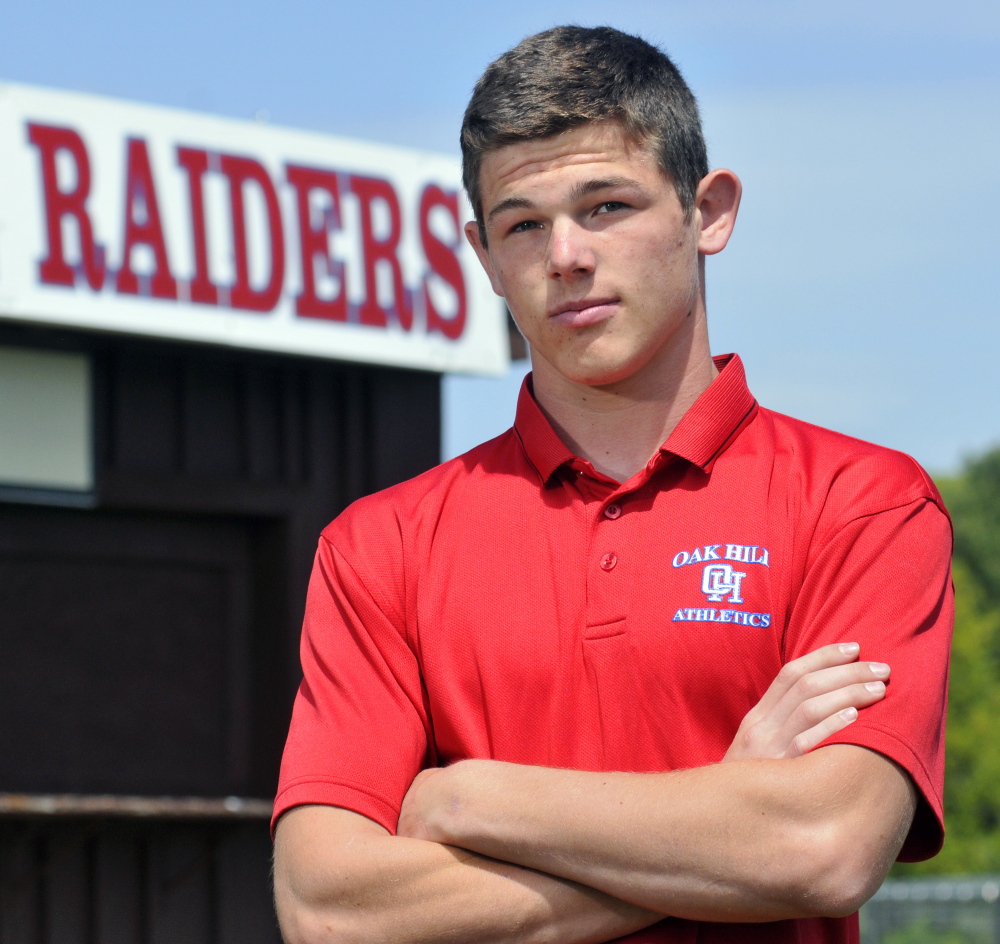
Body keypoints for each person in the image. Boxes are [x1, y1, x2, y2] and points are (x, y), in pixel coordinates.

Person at [272, 25, 953, 944]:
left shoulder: (863, 503)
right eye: (522, 224)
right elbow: (329, 911)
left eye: (606, 206)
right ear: (482, 255)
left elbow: (826, 849)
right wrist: (724, 817)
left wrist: (472, 797)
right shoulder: (377, 547)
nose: (565, 256)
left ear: (707, 211)